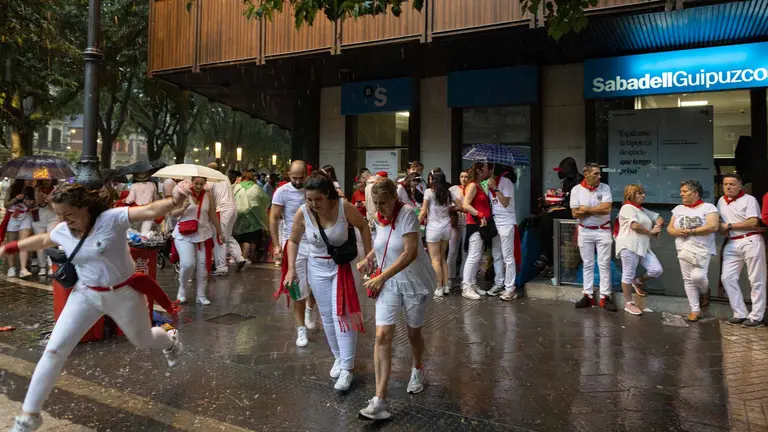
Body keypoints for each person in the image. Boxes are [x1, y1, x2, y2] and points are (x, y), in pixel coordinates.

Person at [4, 183, 185, 432]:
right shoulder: (63, 229)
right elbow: (45, 239)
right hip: (86, 295)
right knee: (54, 350)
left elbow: (148, 210)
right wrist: (11, 247)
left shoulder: (111, 219)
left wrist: (173, 200)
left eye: (69, 214)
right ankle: (29, 417)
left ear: (86, 208)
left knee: (143, 341)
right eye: (58, 214)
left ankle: (170, 341)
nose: (64, 220)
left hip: (124, 294)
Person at [283, 172, 371, 391]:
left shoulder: (344, 207)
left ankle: (348, 368)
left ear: (328, 195)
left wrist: (369, 256)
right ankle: (339, 358)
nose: (313, 204)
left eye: (318, 199)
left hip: (343, 268)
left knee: (342, 314)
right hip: (316, 268)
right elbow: (293, 240)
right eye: (309, 199)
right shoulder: (303, 212)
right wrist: (291, 269)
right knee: (327, 316)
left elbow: (364, 226)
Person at [358, 178, 436, 420]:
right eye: (375, 203)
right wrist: (369, 257)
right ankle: (379, 400)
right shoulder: (378, 216)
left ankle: (418, 367)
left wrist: (381, 277)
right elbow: (384, 243)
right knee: (382, 335)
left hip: (413, 281)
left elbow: (409, 252)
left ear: (394, 198)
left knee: (413, 333)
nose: (379, 208)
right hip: (389, 282)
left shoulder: (408, 214)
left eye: (383, 203)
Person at [270, 160, 318, 347]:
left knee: (315, 283)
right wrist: (276, 245)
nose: (298, 181)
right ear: (288, 174)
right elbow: (274, 218)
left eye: (301, 178)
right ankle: (300, 329)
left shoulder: (312, 189)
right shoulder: (281, 192)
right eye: (294, 178)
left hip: (315, 243)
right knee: (296, 286)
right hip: (293, 244)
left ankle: (309, 309)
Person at [717, 173, 766, 328]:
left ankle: (756, 316)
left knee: (756, 279)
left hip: (750, 240)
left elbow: (753, 222)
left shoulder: (749, 200)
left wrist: (729, 226)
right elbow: (720, 222)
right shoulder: (721, 201)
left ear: (740, 185)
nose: (728, 187)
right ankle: (740, 313)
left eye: (732, 184)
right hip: (732, 242)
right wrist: (722, 228)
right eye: (725, 184)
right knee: (727, 278)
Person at [667, 180, 719, 322]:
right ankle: (695, 310)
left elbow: (713, 226)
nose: (681, 194)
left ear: (695, 193)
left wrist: (692, 231)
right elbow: (670, 228)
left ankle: (705, 291)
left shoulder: (708, 207)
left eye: (684, 191)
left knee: (697, 276)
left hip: (701, 248)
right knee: (688, 279)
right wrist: (677, 232)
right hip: (682, 248)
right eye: (681, 191)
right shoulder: (678, 209)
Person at [571, 163, 616, 311]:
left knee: (604, 264)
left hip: (603, 230)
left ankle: (605, 296)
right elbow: (575, 213)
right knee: (587, 263)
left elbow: (607, 209)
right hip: (584, 231)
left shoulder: (605, 188)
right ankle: (588, 295)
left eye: (599, 174)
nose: (599, 176)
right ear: (587, 175)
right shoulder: (576, 190)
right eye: (596, 174)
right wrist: (596, 210)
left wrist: (586, 209)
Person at [171, 176, 223, 306]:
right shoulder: (182, 194)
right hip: (184, 233)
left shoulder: (209, 196)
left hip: (203, 233)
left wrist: (219, 231)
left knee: (203, 265)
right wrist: (182, 208)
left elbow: (212, 214)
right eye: (196, 183)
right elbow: (172, 214)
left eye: (201, 184)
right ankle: (181, 290)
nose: (199, 186)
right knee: (188, 264)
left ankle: (201, 295)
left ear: (205, 183)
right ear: (191, 182)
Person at [615, 184, 664, 316]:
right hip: (629, 245)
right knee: (628, 273)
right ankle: (629, 303)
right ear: (631, 195)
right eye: (639, 193)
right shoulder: (627, 208)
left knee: (656, 269)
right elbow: (635, 226)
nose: (643, 195)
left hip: (643, 246)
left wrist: (658, 226)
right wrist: (651, 231)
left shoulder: (641, 210)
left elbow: (659, 217)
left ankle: (638, 282)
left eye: (643, 193)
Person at [419, 170, 463, 297]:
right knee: (442, 258)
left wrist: (415, 224)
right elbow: (460, 205)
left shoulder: (428, 192)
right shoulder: (448, 193)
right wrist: (448, 209)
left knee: (435, 259)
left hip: (433, 229)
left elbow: (423, 211)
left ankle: (438, 287)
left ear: (433, 180)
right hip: (446, 228)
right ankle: (446, 286)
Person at [208, 162, 247, 276]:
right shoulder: (224, 177)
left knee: (219, 238)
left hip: (222, 210)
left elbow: (207, 194)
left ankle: (221, 267)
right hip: (232, 209)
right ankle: (239, 258)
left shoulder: (212, 179)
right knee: (227, 235)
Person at [461, 163, 493, 300]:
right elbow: (466, 205)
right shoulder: (473, 185)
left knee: (477, 254)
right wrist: (480, 215)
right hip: (475, 224)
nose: (487, 171)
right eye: (485, 168)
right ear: (480, 171)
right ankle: (466, 286)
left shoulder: (479, 185)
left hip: (480, 223)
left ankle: (472, 283)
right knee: (473, 255)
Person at [487, 164, 519, 300]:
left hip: (506, 222)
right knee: (496, 254)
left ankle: (510, 288)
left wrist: (495, 188)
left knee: (508, 256)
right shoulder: (487, 183)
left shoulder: (507, 183)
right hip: (495, 221)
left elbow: (505, 202)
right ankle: (498, 282)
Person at [232, 170, 270, 263]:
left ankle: (237, 257)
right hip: (251, 215)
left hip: (236, 213)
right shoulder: (256, 187)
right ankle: (245, 258)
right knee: (248, 237)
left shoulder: (236, 186)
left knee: (237, 236)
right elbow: (265, 200)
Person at [3, 179, 36, 278]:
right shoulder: (12, 188)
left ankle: (23, 268)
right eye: (28, 179)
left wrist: (29, 202)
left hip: (26, 216)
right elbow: (6, 204)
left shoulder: (31, 189)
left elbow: (34, 204)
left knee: (23, 243)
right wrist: (16, 198)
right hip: (13, 217)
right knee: (11, 243)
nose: (30, 180)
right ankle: (11, 268)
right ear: (22, 179)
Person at [32, 180, 59, 276]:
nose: (46, 181)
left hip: (53, 218)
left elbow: (57, 207)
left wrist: (50, 199)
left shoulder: (57, 188)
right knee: (40, 244)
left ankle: (51, 266)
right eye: (44, 179)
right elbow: (36, 203)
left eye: (48, 178)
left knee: (50, 241)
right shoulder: (36, 188)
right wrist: (40, 197)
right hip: (38, 219)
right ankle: (42, 266)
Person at [448, 170, 469, 283]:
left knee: (465, 251)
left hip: (467, 223)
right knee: (452, 251)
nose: (464, 179)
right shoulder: (453, 189)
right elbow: (447, 206)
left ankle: (463, 278)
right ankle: (449, 278)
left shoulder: (472, 188)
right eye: (462, 177)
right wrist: (457, 208)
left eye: (466, 177)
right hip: (455, 223)